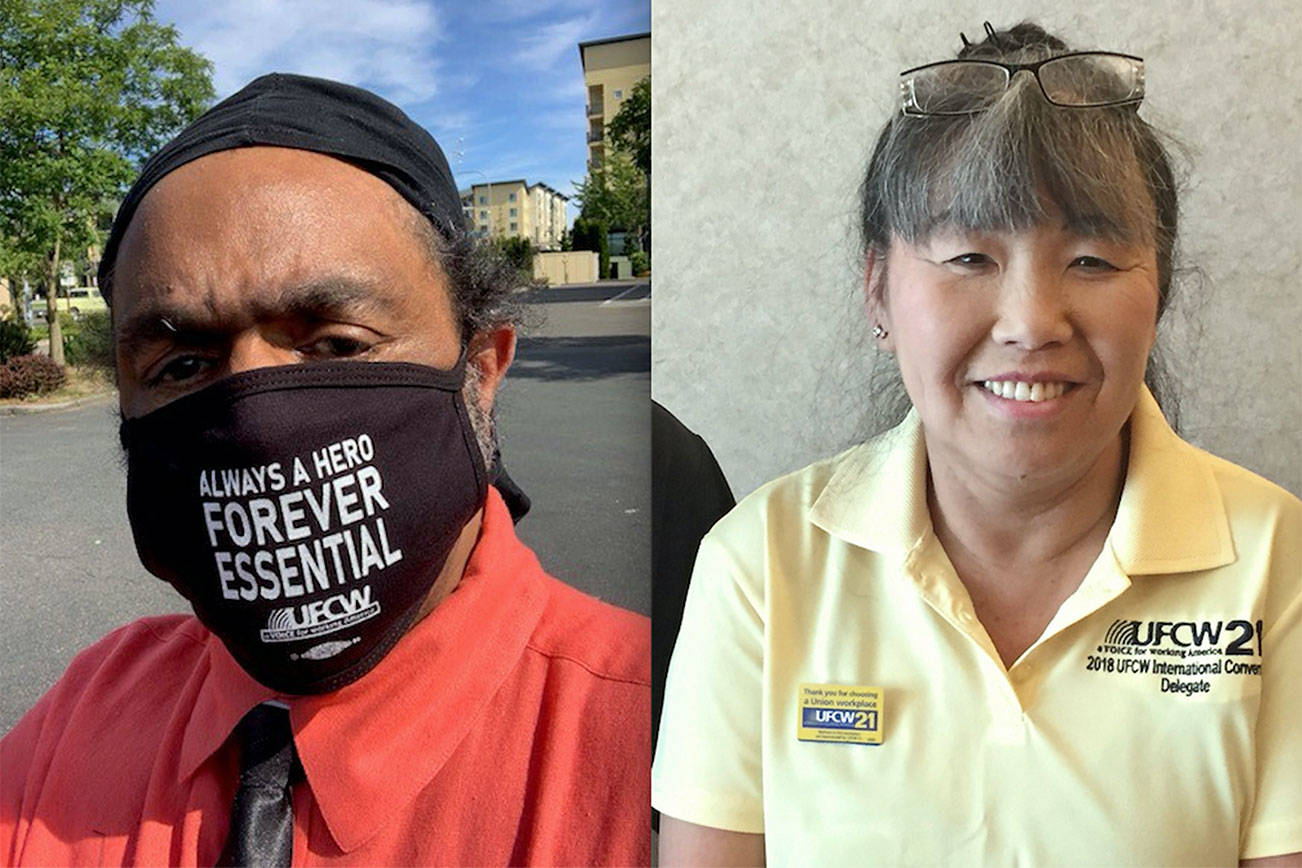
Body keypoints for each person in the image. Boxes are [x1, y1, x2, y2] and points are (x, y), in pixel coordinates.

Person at [652, 22, 1300, 867]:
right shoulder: (759, 566)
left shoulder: (1276, 560)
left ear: (1161, 290)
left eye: (1092, 260)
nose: (1031, 323)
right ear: (879, 290)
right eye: (968, 256)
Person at [1, 73, 650, 867]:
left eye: (335, 344)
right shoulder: (81, 718)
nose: (255, 423)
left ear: (480, 369)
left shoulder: (667, 741)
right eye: (182, 366)